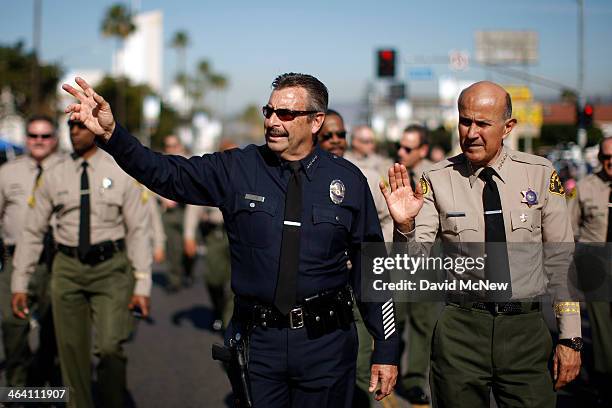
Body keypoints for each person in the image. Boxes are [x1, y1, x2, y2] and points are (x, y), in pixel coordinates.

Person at [62, 73, 399, 407]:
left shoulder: (347, 180)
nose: (272, 122)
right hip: (259, 345)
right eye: (268, 111)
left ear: (316, 122)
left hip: (325, 344)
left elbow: (374, 269)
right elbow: (166, 174)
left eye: (286, 114)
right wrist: (112, 134)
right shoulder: (237, 168)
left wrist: (386, 349)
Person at [380, 81, 581, 407]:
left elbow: (561, 263)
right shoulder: (438, 179)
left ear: (507, 127)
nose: (471, 132)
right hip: (461, 331)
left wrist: (570, 337)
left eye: (483, 124)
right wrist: (404, 226)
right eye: (464, 121)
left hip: (526, 332)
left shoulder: (540, 174)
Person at [11, 119, 152, 408]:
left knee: (110, 348)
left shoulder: (121, 169)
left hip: (111, 268)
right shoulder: (54, 174)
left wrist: (143, 284)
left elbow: (139, 229)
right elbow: (33, 231)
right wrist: (19, 282)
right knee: (72, 353)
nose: (76, 132)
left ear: (96, 128)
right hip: (67, 269)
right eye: (71, 127)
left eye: (82, 126)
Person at [0, 115, 62, 387]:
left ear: (55, 139)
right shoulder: (7, 172)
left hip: (56, 261)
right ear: (26, 139)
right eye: (34, 136)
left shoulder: (69, 169)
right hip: (15, 260)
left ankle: (45, 383)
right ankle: (17, 385)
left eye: (45, 136)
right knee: (12, 326)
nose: (39, 141)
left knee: (55, 331)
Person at [395, 124, 438, 405]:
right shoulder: (394, 175)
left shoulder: (438, 177)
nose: (401, 152)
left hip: (427, 264)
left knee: (423, 326)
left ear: (422, 150)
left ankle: (412, 381)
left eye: (408, 148)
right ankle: (387, 370)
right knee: (392, 322)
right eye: (399, 146)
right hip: (396, 261)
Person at [567, 137, 612, 405]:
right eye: (607, 158)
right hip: (597, 264)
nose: (611, 163)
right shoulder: (585, 188)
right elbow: (570, 229)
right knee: (602, 328)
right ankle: (605, 381)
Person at [158, 134, 196, 291]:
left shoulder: (189, 163)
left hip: (187, 211)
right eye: (168, 146)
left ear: (180, 146)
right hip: (170, 213)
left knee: (188, 247)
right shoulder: (161, 163)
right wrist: (162, 199)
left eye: (174, 145)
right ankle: (175, 279)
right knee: (173, 247)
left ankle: (188, 270)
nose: (171, 149)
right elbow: (151, 184)